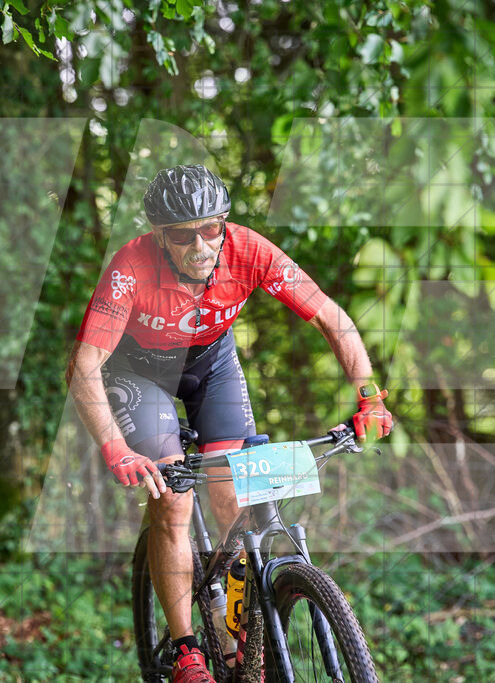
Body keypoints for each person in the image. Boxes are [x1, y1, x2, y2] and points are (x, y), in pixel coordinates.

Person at [66, 165, 392, 682]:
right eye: (182, 233)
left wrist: (369, 397)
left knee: (234, 489)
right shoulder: (130, 268)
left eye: (211, 228)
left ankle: (240, 629)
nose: (200, 244)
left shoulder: (250, 251)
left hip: (210, 365)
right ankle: (186, 651)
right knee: (173, 499)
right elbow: (84, 365)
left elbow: (332, 317)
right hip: (139, 373)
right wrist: (114, 446)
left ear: (224, 223)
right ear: (159, 236)